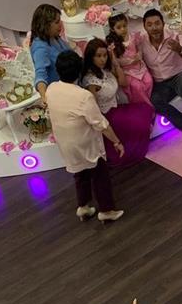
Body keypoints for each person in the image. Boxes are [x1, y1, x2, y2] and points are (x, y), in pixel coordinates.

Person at [45, 49, 125, 223]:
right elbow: (100, 123)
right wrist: (117, 142)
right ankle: (106, 210)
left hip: (65, 143)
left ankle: (83, 206)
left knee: (80, 174)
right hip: (85, 143)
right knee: (100, 175)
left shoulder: (51, 89)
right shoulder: (83, 96)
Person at [82, 38, 153, 169]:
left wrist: (115, 63)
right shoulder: (90, 80)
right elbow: (94, 110)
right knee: (140, 121)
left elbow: (123, 83)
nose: (103, 59)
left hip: (116, 108)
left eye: (104, 55)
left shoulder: (105, 70)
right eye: (98, 56)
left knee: (145, 108)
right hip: (106, 115)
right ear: (91, 57)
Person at [140, 9, 182, 133]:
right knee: (154, 102)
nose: (154, 28)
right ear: (144, 27)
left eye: (157, 23)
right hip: (160, 82)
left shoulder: (174, 35)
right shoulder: (141, 42)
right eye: (149, 25)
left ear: (163, 23)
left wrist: (179, 49)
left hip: (179, 74)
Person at [107, 12, 153, 105]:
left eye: (124, 26)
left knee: (149, 81)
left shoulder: (133, 37)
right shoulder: (113, 44)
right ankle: (145, 105)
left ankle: (148, 100)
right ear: (112, 29)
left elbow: (139, 48)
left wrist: (139, 55)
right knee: (137, 87)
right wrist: (130, 61)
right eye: (119, 27)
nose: (123, 29)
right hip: (127, 71)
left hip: (139, 66)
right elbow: (115, 61)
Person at [29, 3, 67, 103]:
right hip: (61, 94)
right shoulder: (40, 47)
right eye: (57, 22)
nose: (60, 24)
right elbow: (40, 74)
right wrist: (44, 97)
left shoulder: (54, 37)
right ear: (45, 24)